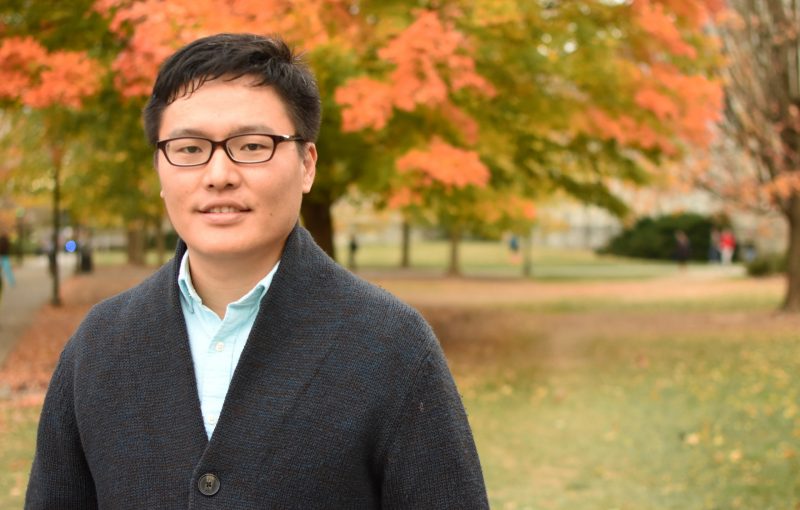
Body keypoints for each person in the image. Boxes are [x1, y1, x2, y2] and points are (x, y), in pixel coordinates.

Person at [26, 33, 488, 509]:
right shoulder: (99, 344)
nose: (219, 174)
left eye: (251, 146)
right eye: (188, 149)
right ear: (159, 169)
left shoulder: (391, 345)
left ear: (307, 165)